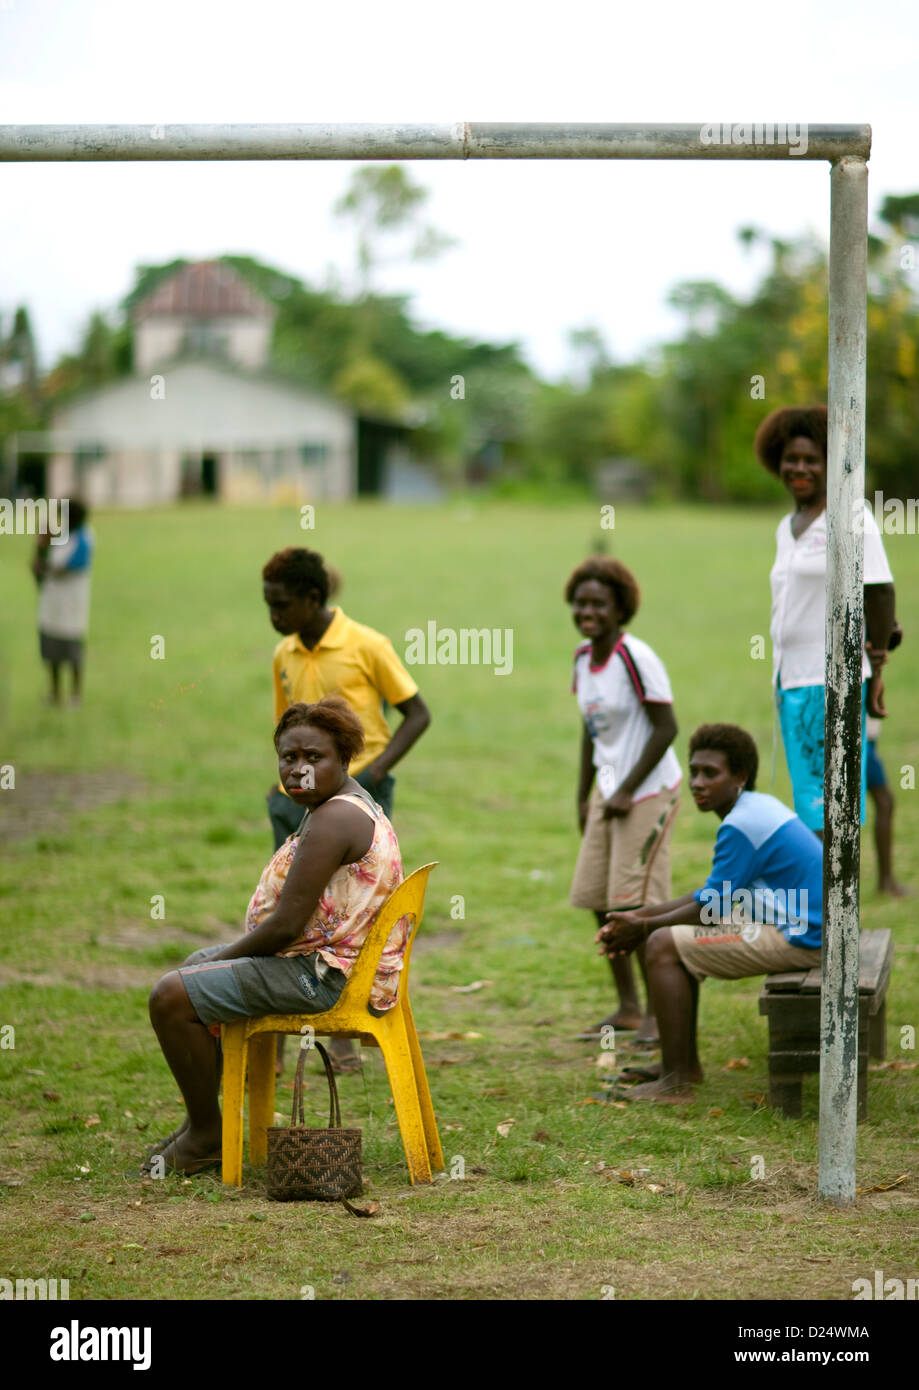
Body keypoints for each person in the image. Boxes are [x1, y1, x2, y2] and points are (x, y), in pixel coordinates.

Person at [143, 697, 408, 1175]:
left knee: (171, 995)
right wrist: (214, 962)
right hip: (324, 965)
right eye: (290, 758)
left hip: (324, 979)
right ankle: (201, 1124)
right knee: (190, 969)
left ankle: (206, 1134)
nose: (299, 770)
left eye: (314, 758)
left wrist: (218, 961)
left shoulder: (334, 820)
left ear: (345, 758)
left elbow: (285, 926)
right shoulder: (336, 806)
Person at [262, 546, 430, 1072]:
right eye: (267, 605)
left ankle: (345, 1028)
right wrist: (281, 784)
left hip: (356, 794)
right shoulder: (284, 655)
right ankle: (293, 1020)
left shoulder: (366, 645)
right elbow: (284, 729)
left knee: (353, 910)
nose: (274, 617)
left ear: (313, 598)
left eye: (282, 605)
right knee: (297, 905)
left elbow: (417, 714)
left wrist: (376, 772)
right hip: (296, 798)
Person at [597, 724, 822, 1104]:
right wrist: (638, 915)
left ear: (740, 777)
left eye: (710, 773)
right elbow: (710, 897)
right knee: (665, 939)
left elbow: (709, 911)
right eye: (695, 771)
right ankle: (681, 1066)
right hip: (806, 928)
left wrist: (644, 925)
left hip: (806, 939)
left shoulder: (741, 824)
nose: (698, 783)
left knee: (663, 945)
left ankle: (677, 1081)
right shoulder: (756, 806)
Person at [755, 405, 896, 838]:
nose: (799, 468)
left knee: (832, 814)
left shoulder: (849, 517)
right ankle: (821, 903)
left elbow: (880, 591)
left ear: (831, 464)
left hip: (831, 678)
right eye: (791, 459)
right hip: (791, 680)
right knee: (809, 808)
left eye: (811, 459)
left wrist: (875, 669)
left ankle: (836, 904)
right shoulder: (787, 525)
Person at [566, 556, 682, 1044]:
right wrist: (583, 796)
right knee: (597, 898)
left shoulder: (636, 657)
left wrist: (629, 790)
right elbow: (591, 731)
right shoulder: (581, 659)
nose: (587, 610)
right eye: (580, 602)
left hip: (650, 790)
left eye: (598, 603)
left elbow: (667, 727)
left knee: (636, 904)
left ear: (620, 608)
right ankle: (629, 1007)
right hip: (608, 792)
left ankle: (660, 1016)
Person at [31, 498, 93, 706]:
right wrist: (40, 547)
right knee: (52, 652)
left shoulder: (84, 539)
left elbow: (66, 570)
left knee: (73, 652)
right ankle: (55, 694)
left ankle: (75, 696)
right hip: (51, 605)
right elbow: (40, 566)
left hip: (71, 607)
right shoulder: (62, 537)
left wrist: (43, 566)